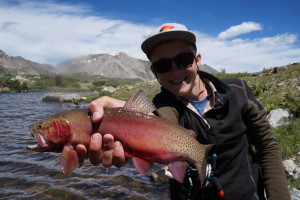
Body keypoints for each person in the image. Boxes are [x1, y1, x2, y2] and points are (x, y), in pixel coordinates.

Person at [76, 23, 290, 200]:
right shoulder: (163, 104)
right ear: (154, 72)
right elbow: (161, 121)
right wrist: (127, 117)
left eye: (183, 60)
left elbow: (267, 146)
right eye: (163, 66)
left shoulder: (239, 90)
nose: (175, 71)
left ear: (197, 60)